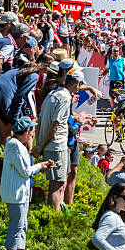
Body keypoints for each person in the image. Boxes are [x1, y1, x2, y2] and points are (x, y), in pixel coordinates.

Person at [0, 116, 55, 250]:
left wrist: (40, 165)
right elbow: (24, 171)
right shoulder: (15, 146)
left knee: (22, 224)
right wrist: (40, 166)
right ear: (25, 132)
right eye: (32, 130)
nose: (32, 134)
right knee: (16, 225)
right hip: (16, 194)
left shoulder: (17, 145)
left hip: (20, 194)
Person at [33, 69, 85, 209]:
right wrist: (40, 146)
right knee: (56, 185)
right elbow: (55, 124)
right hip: (56, 145)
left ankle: (57, 212)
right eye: (80, 85)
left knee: (60, 182)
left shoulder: (55, 93)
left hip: (54, 145)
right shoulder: (65, 98)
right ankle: (53, 219)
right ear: (77, 83)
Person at [0, 63, 41, 143]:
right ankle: (11, 152)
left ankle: (3, 150)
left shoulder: (20, 70)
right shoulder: (34, 75)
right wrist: (13, 118)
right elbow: (20, 97)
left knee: (4, 131)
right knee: (7, 132)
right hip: (3, 98)